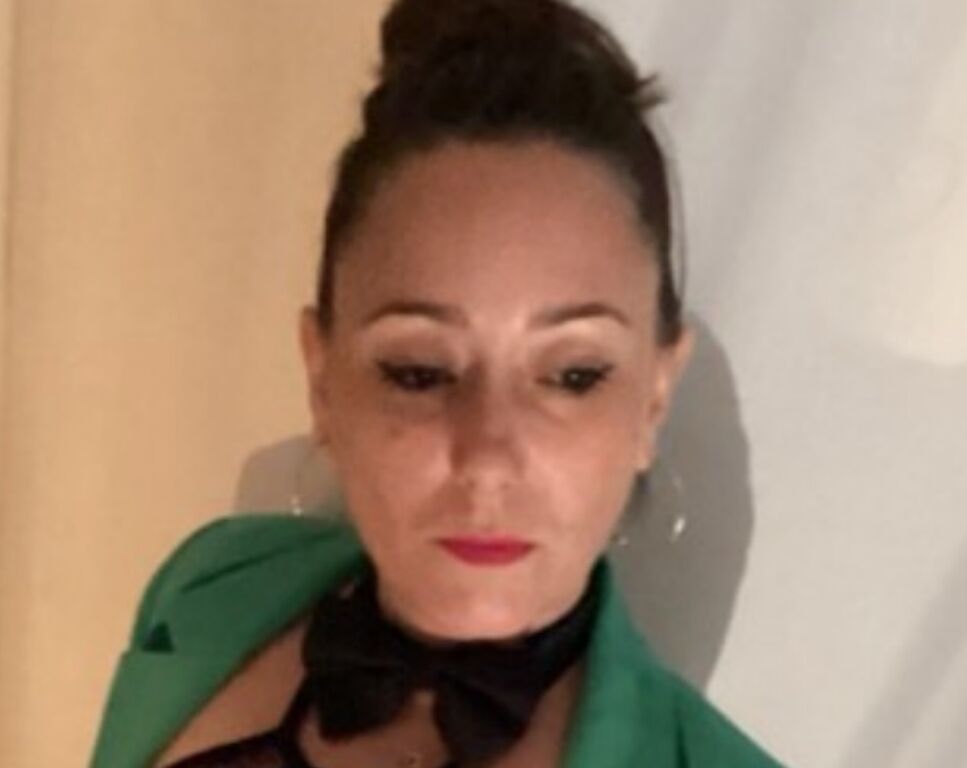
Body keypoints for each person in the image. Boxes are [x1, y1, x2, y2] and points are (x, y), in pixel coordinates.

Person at [90, 0, 784, 765]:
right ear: (323, 379)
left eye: (573, 375)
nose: (488, 458)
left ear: (653, 398)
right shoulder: (209, 583)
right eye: (419, 372)